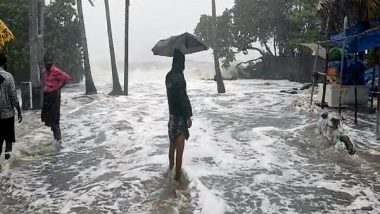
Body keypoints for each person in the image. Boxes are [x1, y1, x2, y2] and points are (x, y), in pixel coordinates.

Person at [165, 49, 193, 181]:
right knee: (180, 152)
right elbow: (182, 98)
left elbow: (172, 97)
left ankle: (170, 170)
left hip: (171, 117)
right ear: (181, 62)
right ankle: (176, 179)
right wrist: (188, 116)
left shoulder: (168, 76)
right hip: (180, 118)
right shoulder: (180, 77)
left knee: (172, 146)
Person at [41, 53, 71, 143]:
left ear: (52, 63)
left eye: (50, 63)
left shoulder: (56, 71)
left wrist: (59, 88)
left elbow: (67, 78)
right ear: (44, 62)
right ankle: (56, 140)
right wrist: (45, 88)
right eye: (47, 63)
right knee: (47, 119)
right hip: (47, 96)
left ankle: (59, 142)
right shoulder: (43, 72)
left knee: (55, 121)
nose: (48, 65)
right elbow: (44, 82)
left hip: (55, 97)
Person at [0, 53, 22, 161]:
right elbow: (13, 97)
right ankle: (7, 170)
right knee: (8, 143)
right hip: (8, 115)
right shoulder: (8, 77)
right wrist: (19, 111)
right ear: (4, 63)